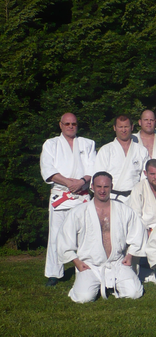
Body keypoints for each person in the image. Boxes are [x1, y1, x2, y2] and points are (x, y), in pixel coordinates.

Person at [57, 172, 147, 303]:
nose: (102, 190)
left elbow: (137, 234)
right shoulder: (79, 212)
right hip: (90, 265)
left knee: (134, 293)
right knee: (84, 298)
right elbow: (64, 240)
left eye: (106, 186)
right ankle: (95, 283)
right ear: (92, 187)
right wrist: (77, 262)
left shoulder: (124, 210)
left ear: (111, 187)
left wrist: (130, 255)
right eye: (99, 186)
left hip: (117, 262)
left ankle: (109, 284)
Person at [40, 113, 96, 285]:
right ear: (60, 125)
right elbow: (47, 169)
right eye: (67, 124)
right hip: (61, 194)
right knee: (56, 236)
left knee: (85, 235)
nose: (70, 126)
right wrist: (68, 182)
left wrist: (81, 182)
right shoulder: (51, 144)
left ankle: (86, 270)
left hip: (81, 195)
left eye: (73, 124)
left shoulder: (88, 143)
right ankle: (54, 273)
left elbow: (93, 168)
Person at [94, 115, 150, 202]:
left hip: (134, 198)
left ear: (132, 127)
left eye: (126, 127)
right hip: (111, 197)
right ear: (114, 128)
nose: (123, 130)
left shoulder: (141, 151)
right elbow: (98, 178)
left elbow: (145, 178)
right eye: (120, 127)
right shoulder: (106, 150)